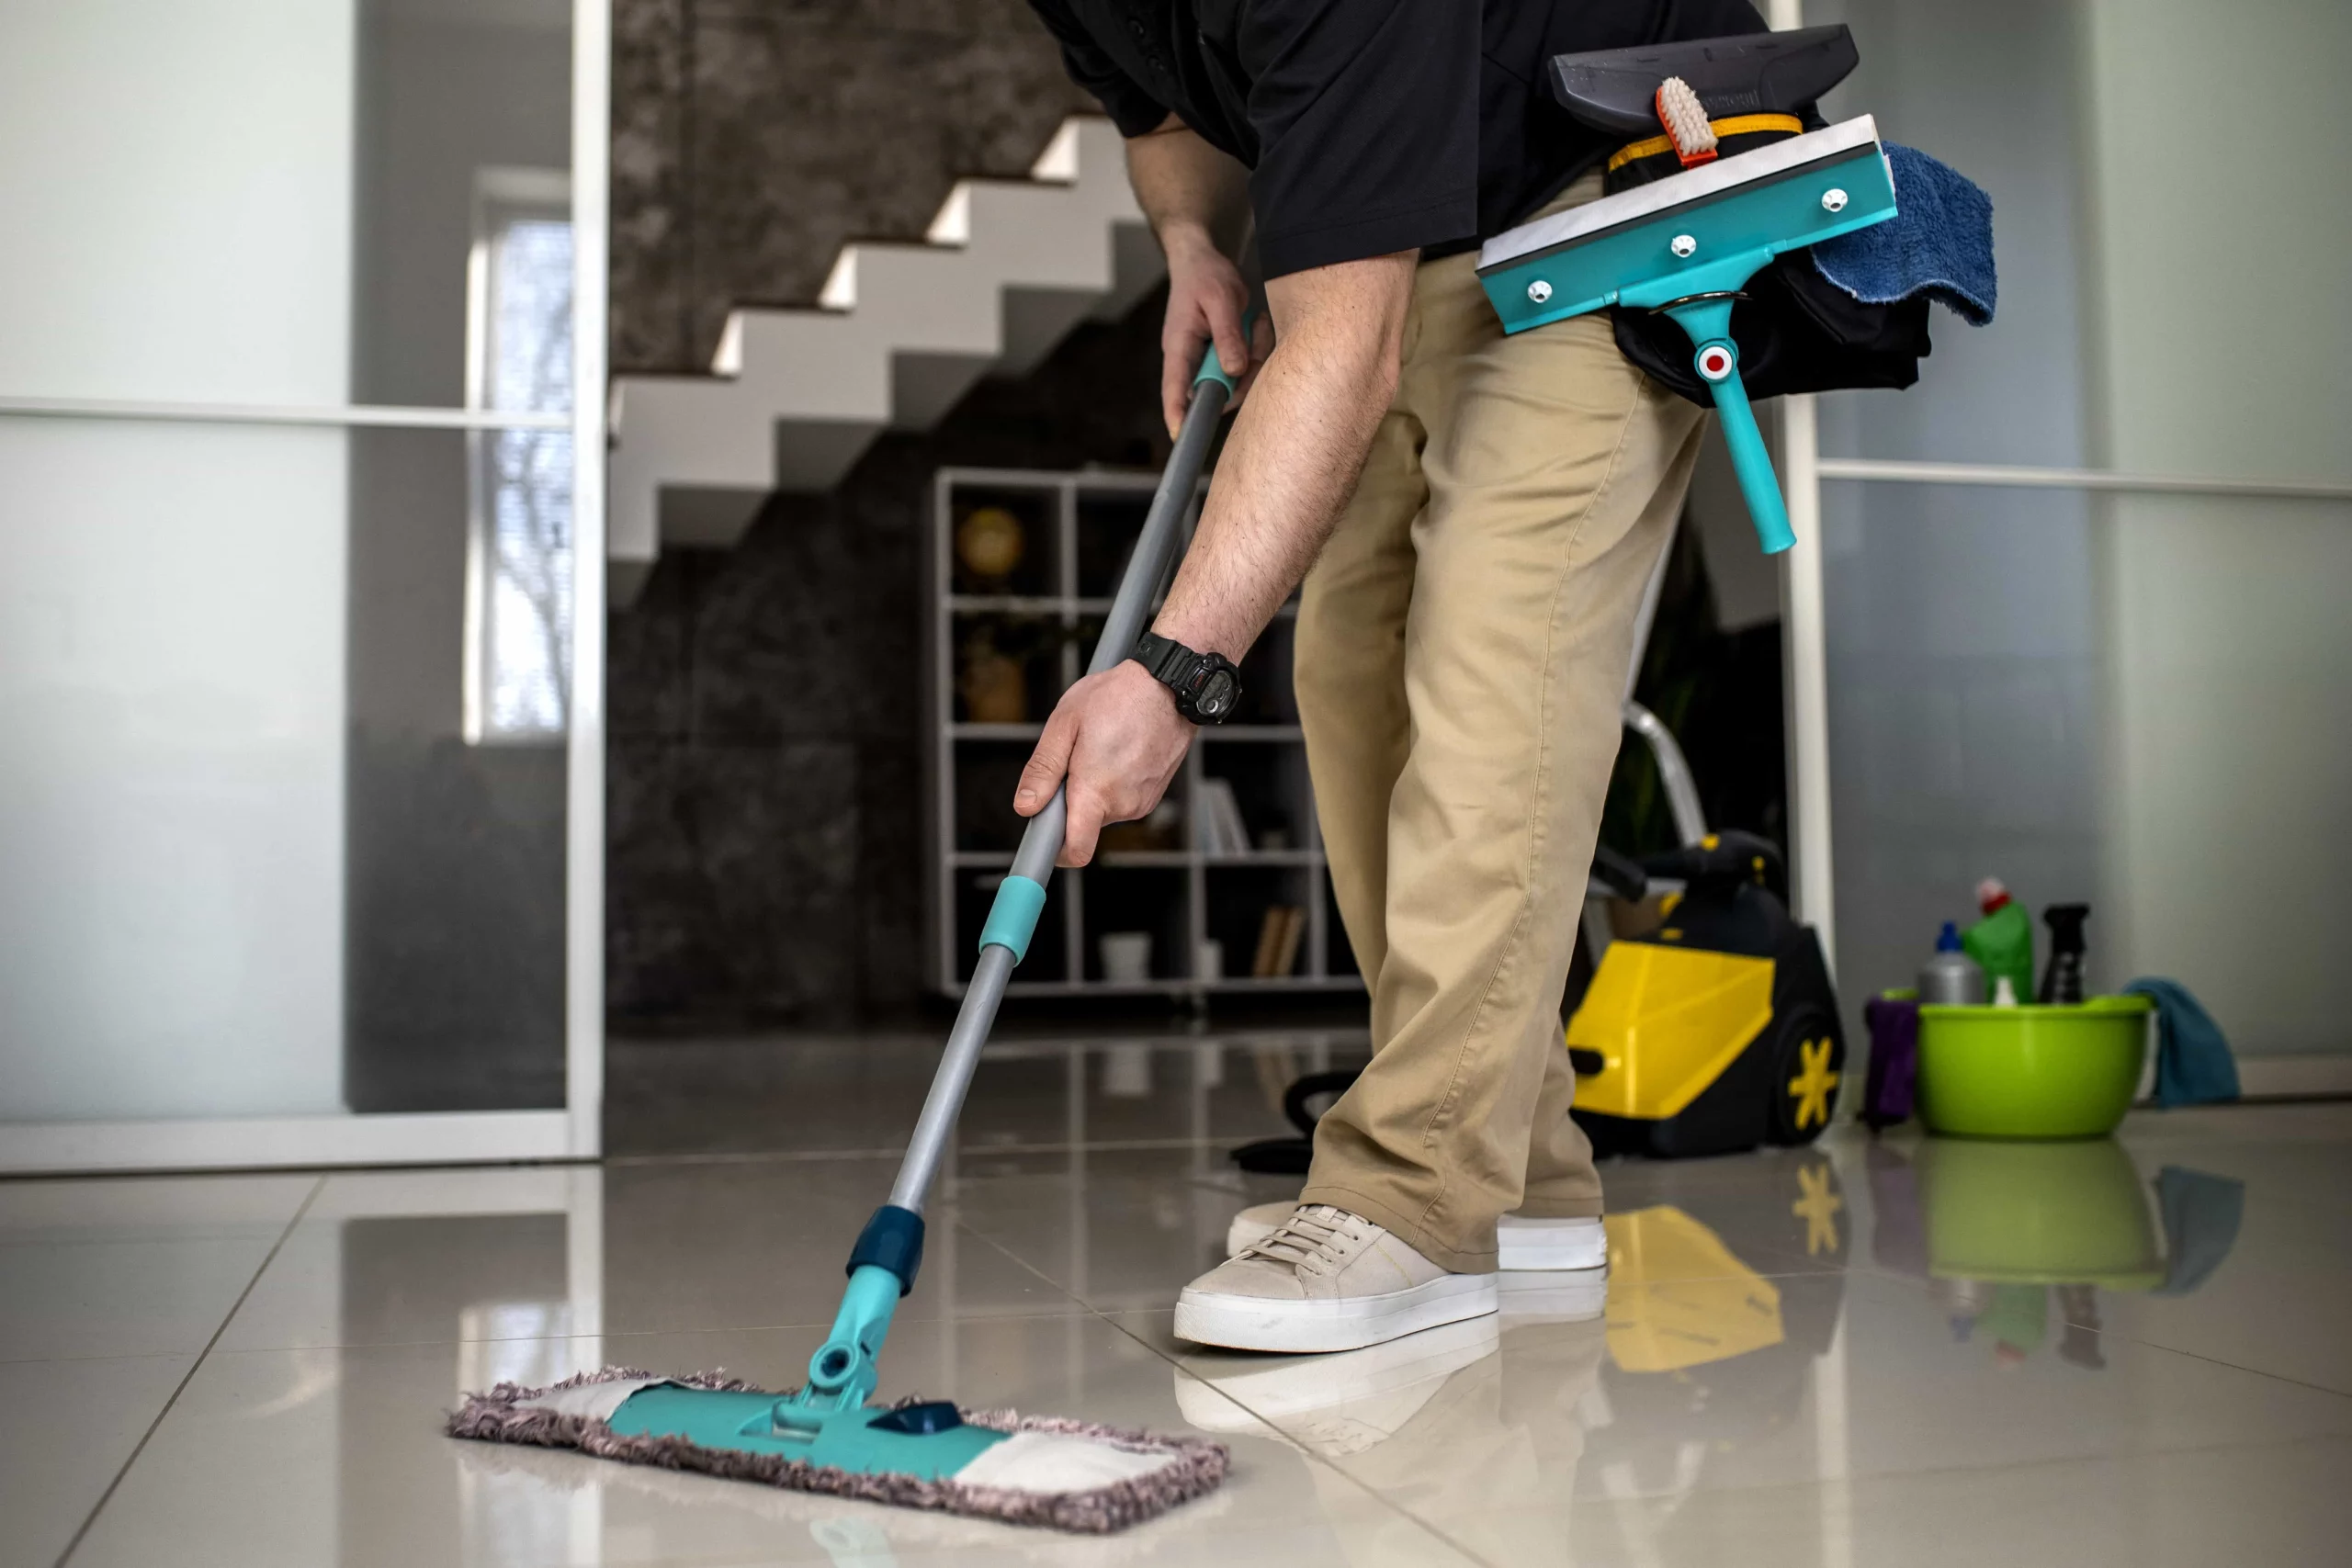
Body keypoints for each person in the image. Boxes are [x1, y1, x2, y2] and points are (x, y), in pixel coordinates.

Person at [1014, 0, 1769, 1353]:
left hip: (1609, 188)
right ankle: (1523, 1176)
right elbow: (1160, 107)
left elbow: (1341, 353)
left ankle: (1415, 1188)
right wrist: (1191, 240)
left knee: (1497, 669)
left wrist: (1170, 675)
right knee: (1348, 670)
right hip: (1415, 217)